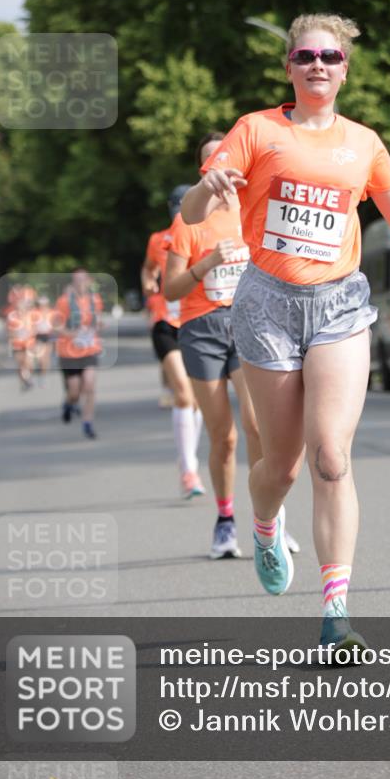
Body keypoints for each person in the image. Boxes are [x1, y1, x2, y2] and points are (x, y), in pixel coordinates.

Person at [182, 13, 390, 651]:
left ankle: (336, 612)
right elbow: (193, 210)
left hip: (341, 305)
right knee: (281, 465)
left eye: (331, 56)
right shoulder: (257, 129)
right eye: (306, 55)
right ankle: (263, 524)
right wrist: (205, 190)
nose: (319, 64)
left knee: (331, 458)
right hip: (267, 303)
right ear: (289, 66)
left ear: (346, 68)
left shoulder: (365, 143)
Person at [165, 133, 300, 561]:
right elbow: (170, 287)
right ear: (203, 172)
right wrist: (207, 263)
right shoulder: (188, 222)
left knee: (259, 425)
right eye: (212, 162)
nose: (223, 167)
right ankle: (225, 522)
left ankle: (271, 520)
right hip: (201, 328)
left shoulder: (257, 210)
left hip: (250, 323)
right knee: (222, 436)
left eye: (228, 159)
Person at [141, 187, 205, 498]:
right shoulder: (158, 240)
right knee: (182, 391)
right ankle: (189, 470)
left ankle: (187, 459)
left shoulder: (205, 234)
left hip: (196, 322)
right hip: (166, 323)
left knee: (196, 399)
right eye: (177, 205)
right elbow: (148, 269)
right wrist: (150, 288)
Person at [54, 269, 103, 439]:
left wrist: (97, 328)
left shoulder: (95, 300)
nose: (81, 283)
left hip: (89, 349)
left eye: (83, 280)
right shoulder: (64, 301)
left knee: (89, 385)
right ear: (72, 283)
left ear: (89, 281)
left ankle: (87, 422)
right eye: (77, 280)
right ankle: (69, 404)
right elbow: (57, 325)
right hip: (68, 351)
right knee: (74, 391)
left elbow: (97, 321)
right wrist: (72, 333)